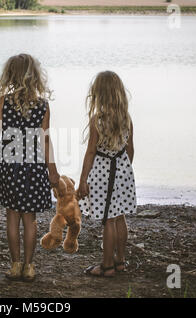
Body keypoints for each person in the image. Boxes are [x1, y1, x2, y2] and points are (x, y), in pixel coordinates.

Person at [0, 54, 60, 282]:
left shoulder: (3, 102)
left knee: (12, 217)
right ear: (35, 76)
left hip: (7, 166)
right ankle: (29, 267)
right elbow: (45, 140)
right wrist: (52, 170)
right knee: (30, 218)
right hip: (33, 167)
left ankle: (15, 266)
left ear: (10, 75)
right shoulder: (42, 105)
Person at [78, 71, 136, 277]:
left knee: (108, 220)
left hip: (103, 171)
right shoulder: (126, 118)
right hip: (123, 170)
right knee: (119, 217)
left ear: (99, 95)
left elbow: (91, 152)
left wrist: (83, 180)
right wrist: (125, 171)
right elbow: (130, 150)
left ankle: (106, 266)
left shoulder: (98, 120)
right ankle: (120, 261)